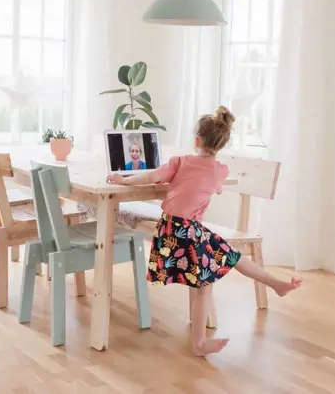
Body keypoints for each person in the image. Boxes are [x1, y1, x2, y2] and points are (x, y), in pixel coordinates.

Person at [107, 106, 302, 357]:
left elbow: (154, 176)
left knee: (231, 257)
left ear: (196, 140)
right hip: (186, 231)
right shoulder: (220, 171)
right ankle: (199, 343)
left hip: (176, 229)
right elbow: (214, 187)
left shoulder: (180, 161)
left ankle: (277, 285)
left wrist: (124, 180)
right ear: (221, 144)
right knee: (206, 283)